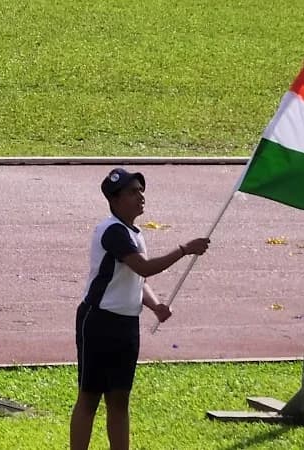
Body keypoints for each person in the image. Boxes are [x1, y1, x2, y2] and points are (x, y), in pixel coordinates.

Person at [70, 168, 210, 450]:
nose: (140, 197)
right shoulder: (112, 231)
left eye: (141, 191)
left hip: (126, 325)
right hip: (99, 322)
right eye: (132, 192)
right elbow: (144, 267)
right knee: (90, 397)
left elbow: (136, 279)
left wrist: (155, 305)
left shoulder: (134, 233)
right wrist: (184, 250)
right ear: (115, 199)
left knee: (120, 399)